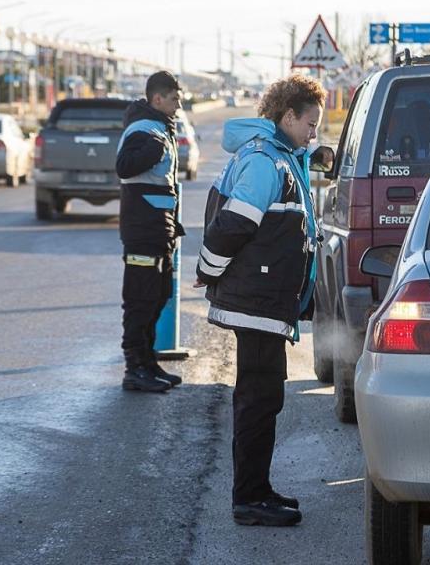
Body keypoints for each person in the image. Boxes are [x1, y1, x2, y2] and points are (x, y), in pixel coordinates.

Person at [195, 73, 325, 527]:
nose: (313, 134)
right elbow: (232, 225)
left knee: (264, 398)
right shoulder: (264, 163)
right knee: (257, 399)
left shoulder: (281, 156)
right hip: (256, 301)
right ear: (287, 116)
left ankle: (257, 490)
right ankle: (249, 498)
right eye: (310, 124)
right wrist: (206, 270)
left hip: (266, 301)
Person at [116, 70, 185, 393]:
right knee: (140, 299)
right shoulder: (144, 130)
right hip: (142, 229)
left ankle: (148, 361)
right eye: (174, 99)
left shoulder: (159, 127)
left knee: (159, 295)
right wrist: (151, 151)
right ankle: (134, 369)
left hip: (159, 229)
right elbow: (124, 167)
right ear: (157, 99)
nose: (178, 105)